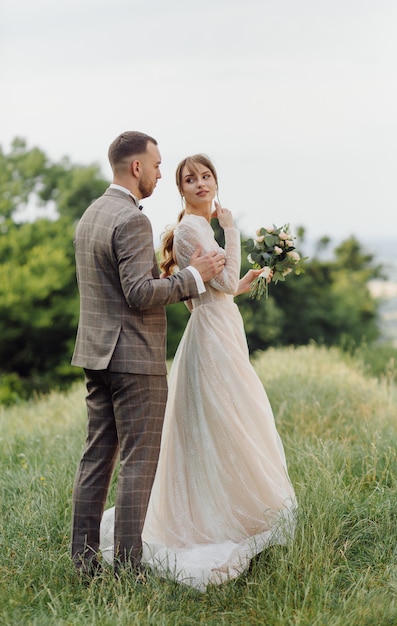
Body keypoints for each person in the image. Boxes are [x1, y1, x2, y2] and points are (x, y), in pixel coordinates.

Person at [100, 153, 297, 590]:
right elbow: (220, 285)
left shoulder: (200, 227)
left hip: (221, 327)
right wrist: (234, 231)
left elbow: (224, 287)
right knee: (228, 418)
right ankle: (219, 515)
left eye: (206, 176)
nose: (200, 184)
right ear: (181, 189)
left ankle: (232, 499)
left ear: (215, 181)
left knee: (228, 419)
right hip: (211, 338)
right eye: (190, 179)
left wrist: (253, 275)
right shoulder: (192, 227)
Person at [71, 134, 226, 579]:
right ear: (136, 167)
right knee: (140, 460)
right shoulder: (133, 220)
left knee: (96, 457)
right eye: (157, 165)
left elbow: (115, 286)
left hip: (95, 353)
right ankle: (128, 567)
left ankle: (83, 564)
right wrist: (195, 276)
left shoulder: (92, 213)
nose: (161, 173)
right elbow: (138, 295)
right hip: (133, 358)